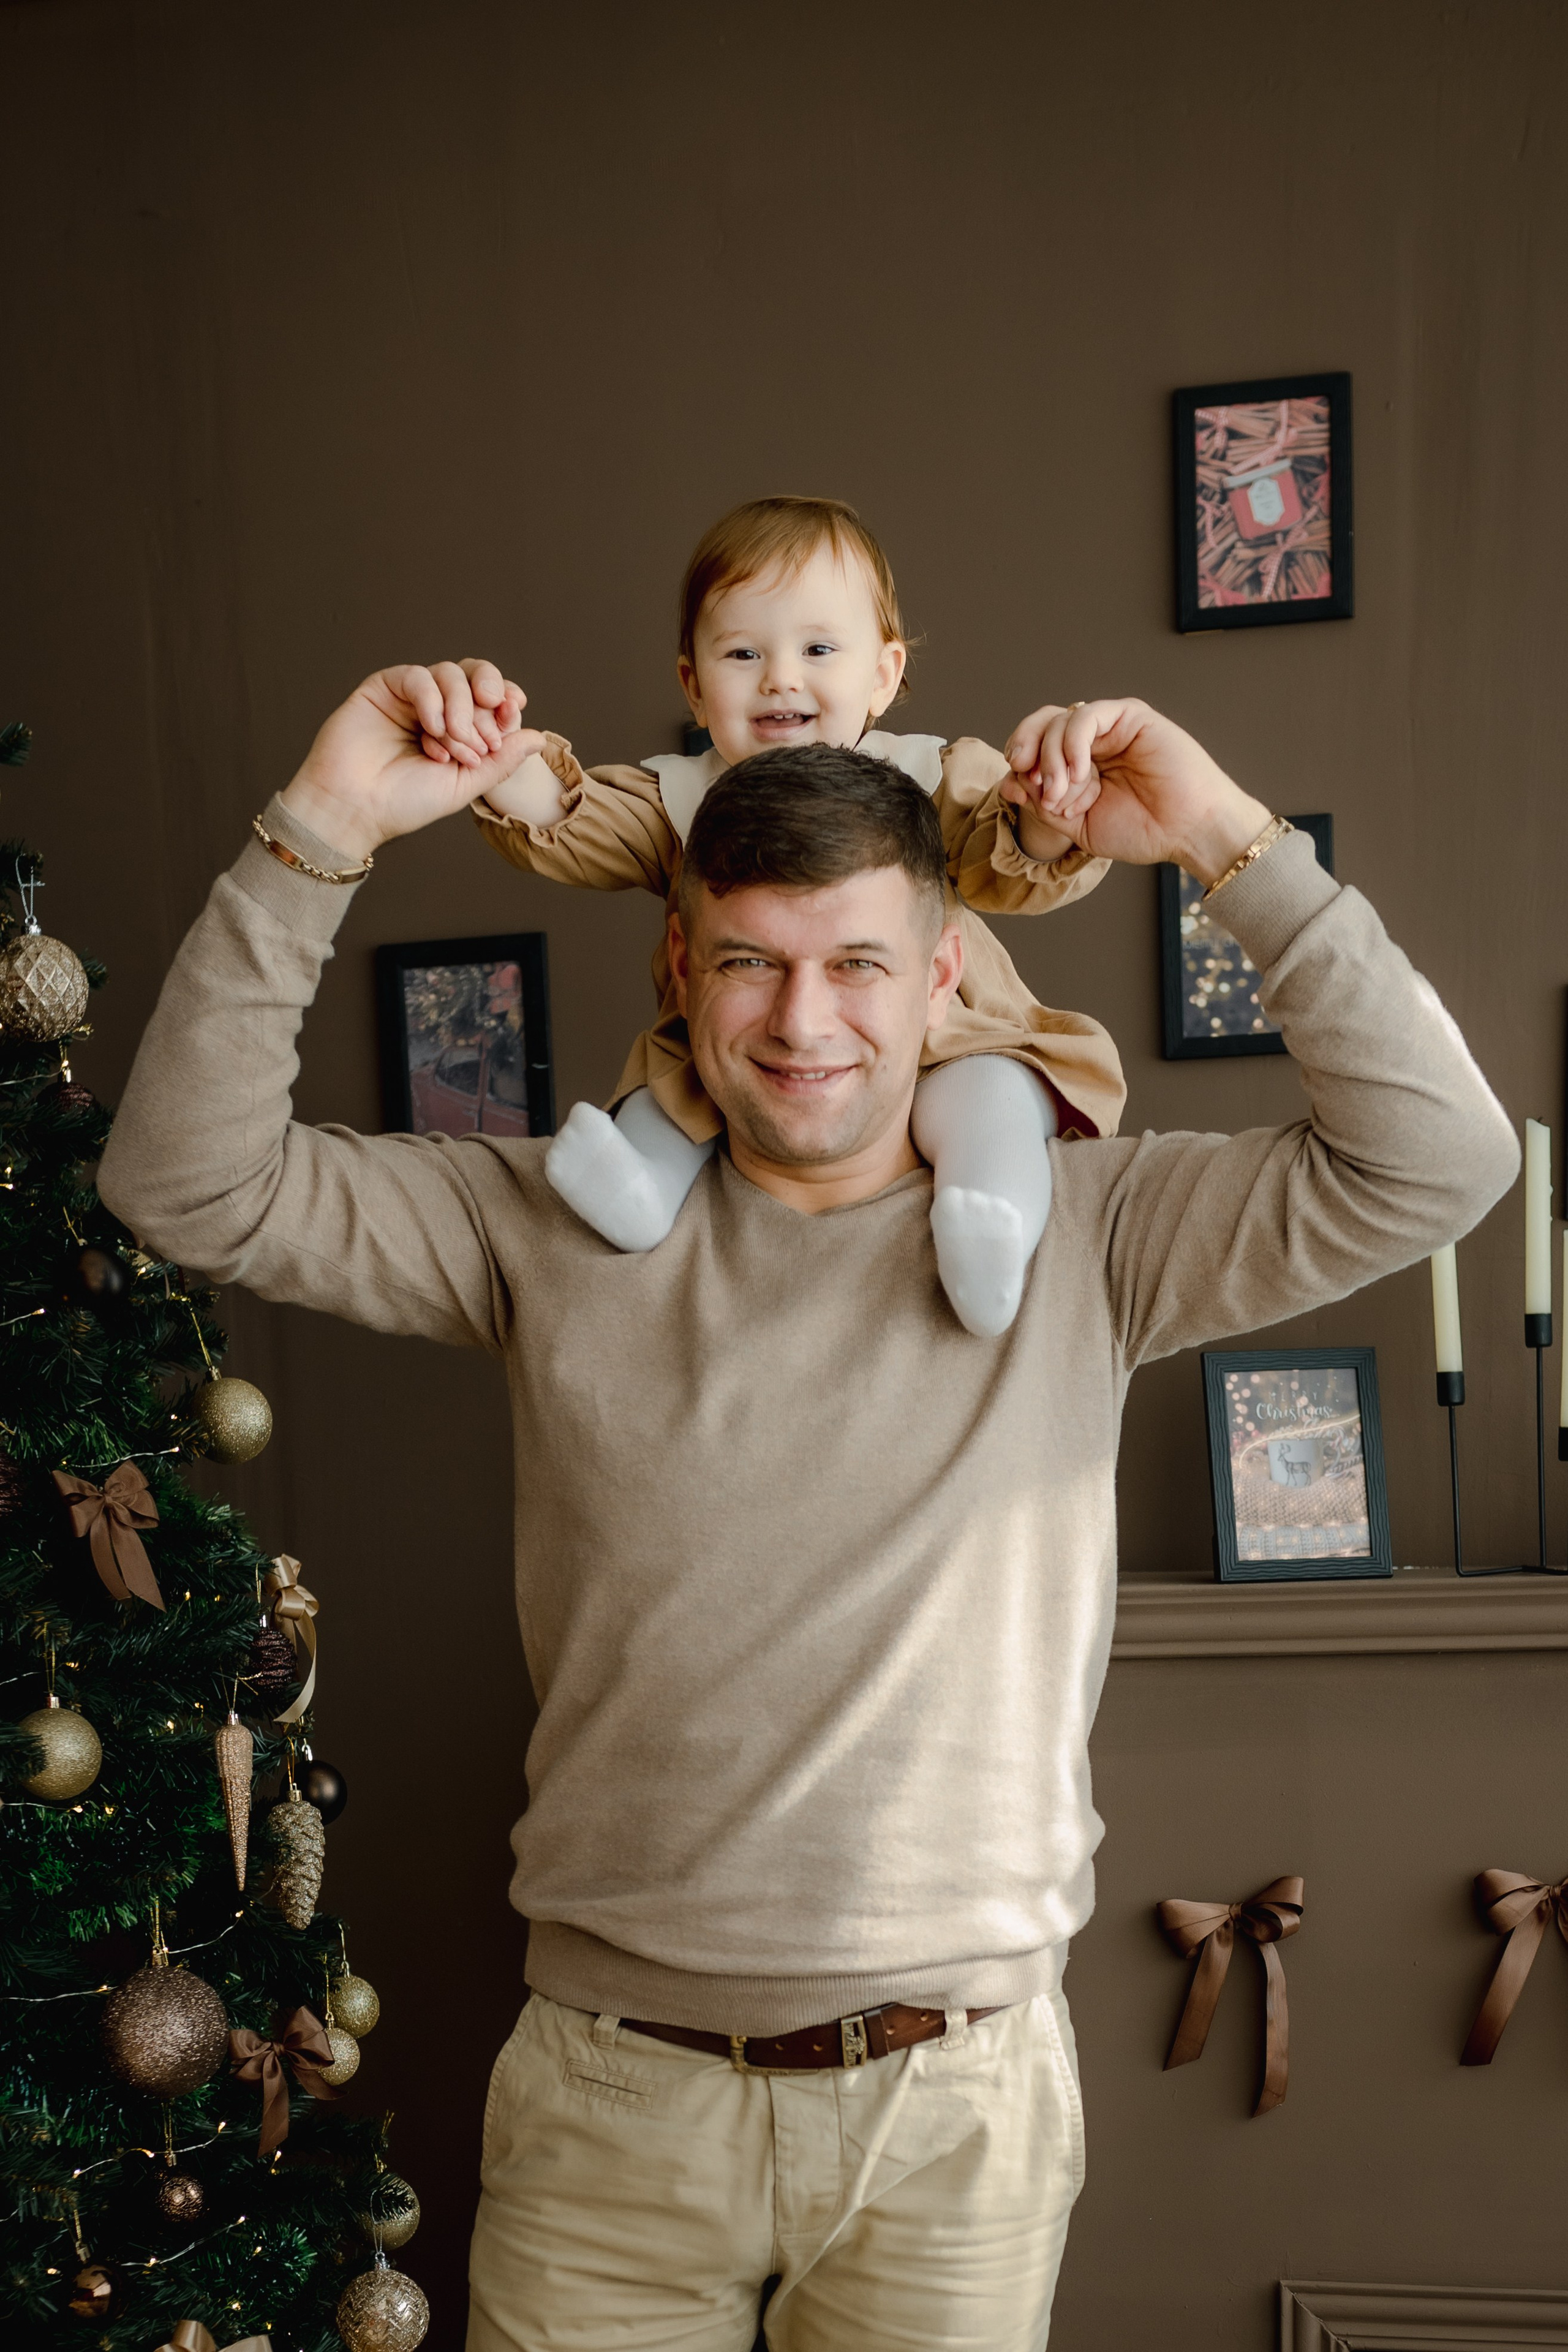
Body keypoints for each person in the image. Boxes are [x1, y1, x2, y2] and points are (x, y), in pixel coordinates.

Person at [99, 668, 1517, 2352]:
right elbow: (182, 1181)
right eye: (755, 962)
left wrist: (1219, 834)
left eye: (856, 964)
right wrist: (321, 828)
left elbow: (1444, 1160)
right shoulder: (547, 1227)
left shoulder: (1095, 1231)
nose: (804, 1022)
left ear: (943, 977)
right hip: (610, 2104)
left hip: (956, 2115)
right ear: (682, 970)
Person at [467, 496, 1126, 1336]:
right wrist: (498, 767)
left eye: (818, 648)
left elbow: (1010, 859)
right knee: (672, 1096)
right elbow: (575, 820)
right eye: (743, 652)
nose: (781, 676)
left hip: (946, 1035)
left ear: (883, 675)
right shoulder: (684, 800)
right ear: (693, 684)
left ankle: (989, 1228)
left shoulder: (930, 778)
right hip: (748, 1059)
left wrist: (1046, 812)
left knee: (989, 1098)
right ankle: (638, 1194)